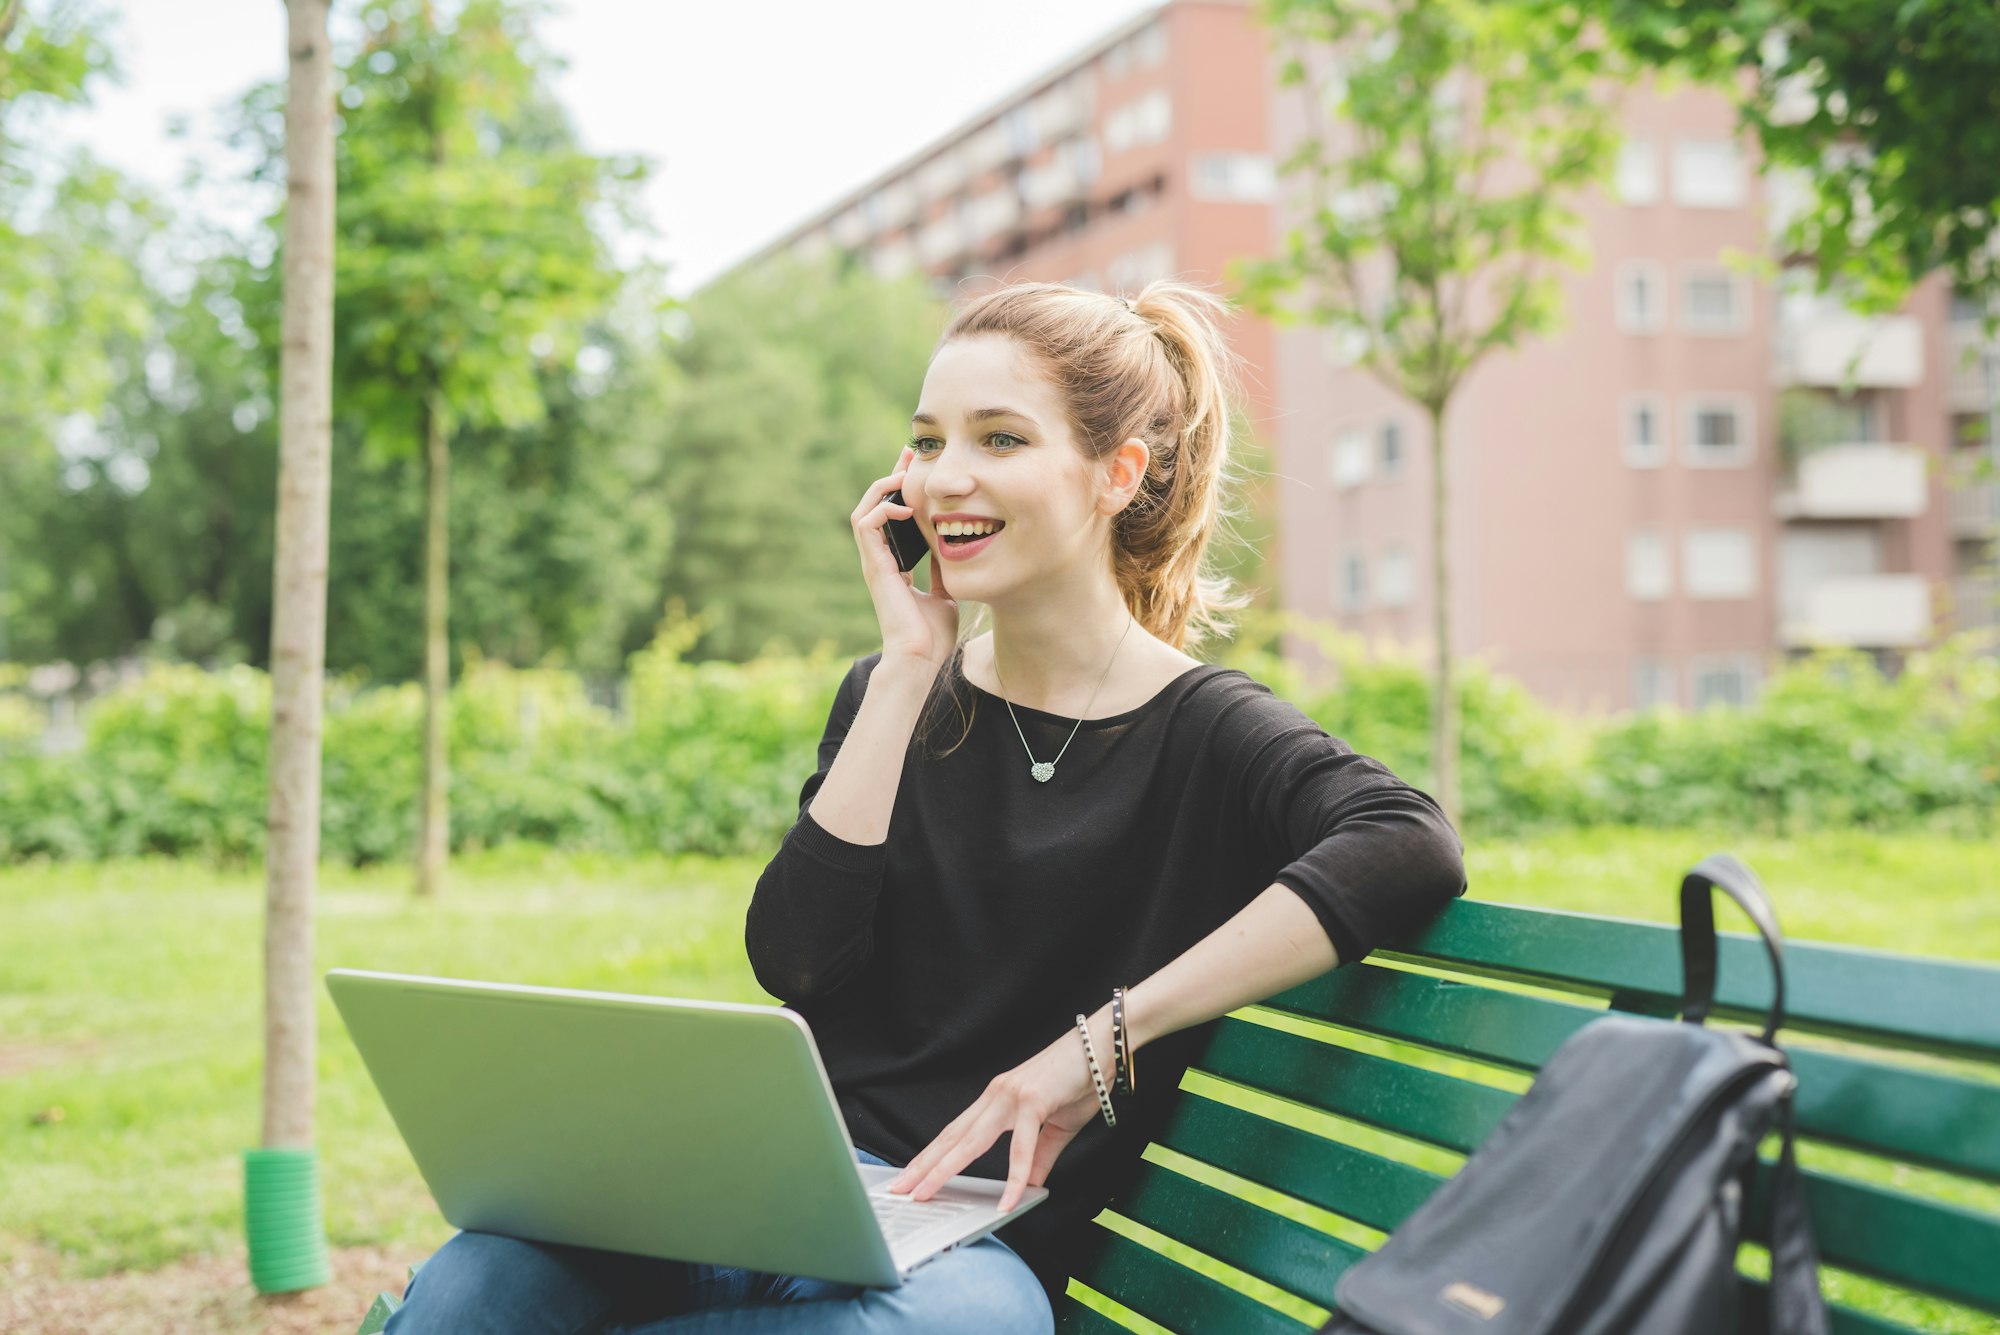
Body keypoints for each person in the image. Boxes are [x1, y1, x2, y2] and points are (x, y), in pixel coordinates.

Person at [384, 279, 1466, 1333]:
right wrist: (907, 668)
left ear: (1114, 474)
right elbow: (797, 965)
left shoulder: (1208, 730)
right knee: (489, 1275)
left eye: (999, 439)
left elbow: (1405, 844)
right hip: (776, 1196)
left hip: (970, 1254)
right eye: (927, 440)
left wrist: (1098, 1046)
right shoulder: (889, 692)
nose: (946, 477)